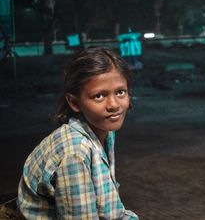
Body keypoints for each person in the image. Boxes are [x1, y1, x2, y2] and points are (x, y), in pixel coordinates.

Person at [17, 47, 139, 219]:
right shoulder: (75, 152)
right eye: (99, 96)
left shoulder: (104, 132)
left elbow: (110, 208)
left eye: (120, 92)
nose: (113, 104)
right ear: (74, 102)